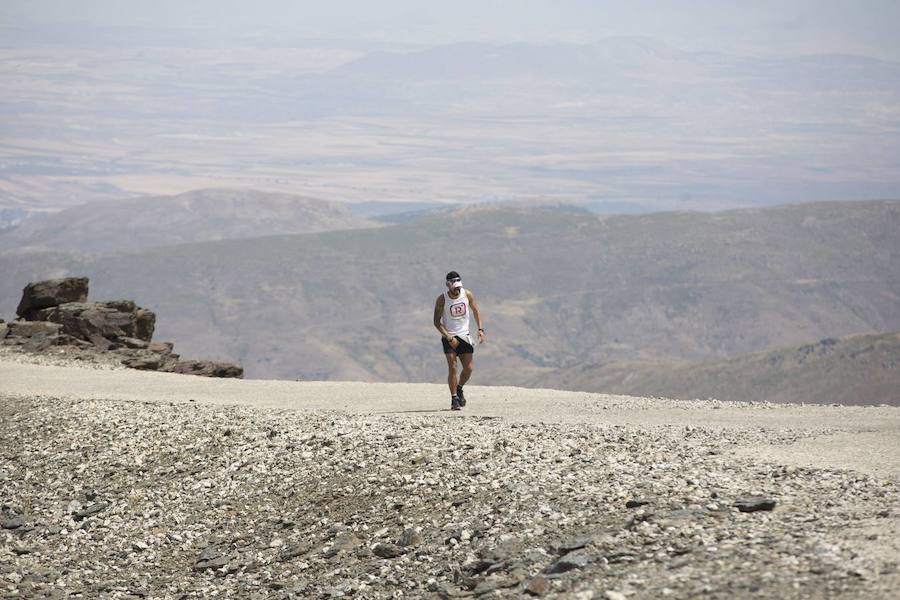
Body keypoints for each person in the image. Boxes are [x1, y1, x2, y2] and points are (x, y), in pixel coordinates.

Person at [433, 270, 485, 410]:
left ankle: (460, 387)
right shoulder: (442, 299)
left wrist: (480, 329)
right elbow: (437, 322)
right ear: (448, 285)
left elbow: (476, 311)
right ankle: (454, 399)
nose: (458, 289)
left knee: (468, 369)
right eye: (455, 286)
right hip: (449, 336)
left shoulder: (467, 294)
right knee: (453, 367)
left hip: (464, 336)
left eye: (459, 286)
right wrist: (449, 337)